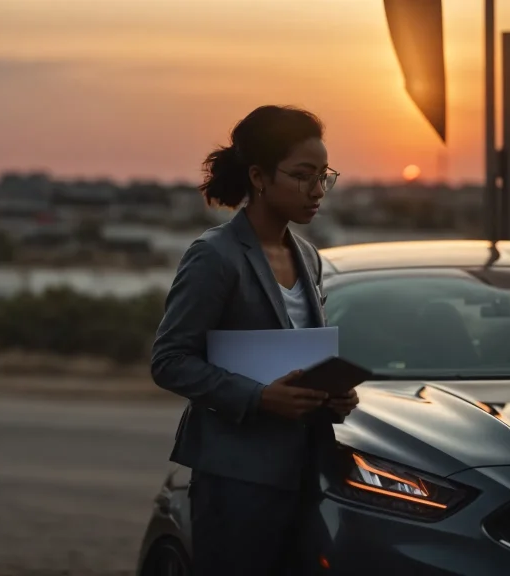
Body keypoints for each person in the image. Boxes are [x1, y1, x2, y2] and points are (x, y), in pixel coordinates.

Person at [150, 105, 359, 576]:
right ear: (259, 177)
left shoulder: (307, 255)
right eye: (304, 176)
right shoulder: (214, 256)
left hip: (307, 469)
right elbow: (169, 360)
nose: (318, 190)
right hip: (236, 476)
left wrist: (333, 395)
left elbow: (300, 353)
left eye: (324, 175)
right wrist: (261, 398)